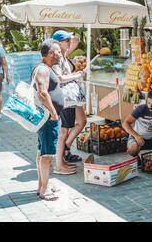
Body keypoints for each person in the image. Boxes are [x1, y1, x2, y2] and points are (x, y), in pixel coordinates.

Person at [51, 30, 87, 175]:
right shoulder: (57, 58)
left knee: (65, 130)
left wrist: (68, 37)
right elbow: (60, 78)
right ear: (59, 43)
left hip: (68, 98)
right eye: (66, 41)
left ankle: (61, 161)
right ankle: (59, 165)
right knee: (63, 131)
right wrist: (77, 74)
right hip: (64, 97)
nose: (69, 43)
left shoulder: (63, 55)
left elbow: (76, 40)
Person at [33, 39, 65, 201]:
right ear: (50, 53)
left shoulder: (46, 68)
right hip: (48, 118)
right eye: (58, 51)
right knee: (47, 155)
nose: (61, 54)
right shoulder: (43, 70)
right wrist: (53, 113)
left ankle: (41, 186)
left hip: (47, 118)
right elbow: (42, 93)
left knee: (42, 152)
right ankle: (44, 190)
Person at [122, 90, 152, 158]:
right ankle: (134, 147)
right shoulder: (141, 109)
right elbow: (125, 123)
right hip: (137, 137)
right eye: (148, 103)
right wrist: (137, 136)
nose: (150, 106)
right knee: (132, 150)